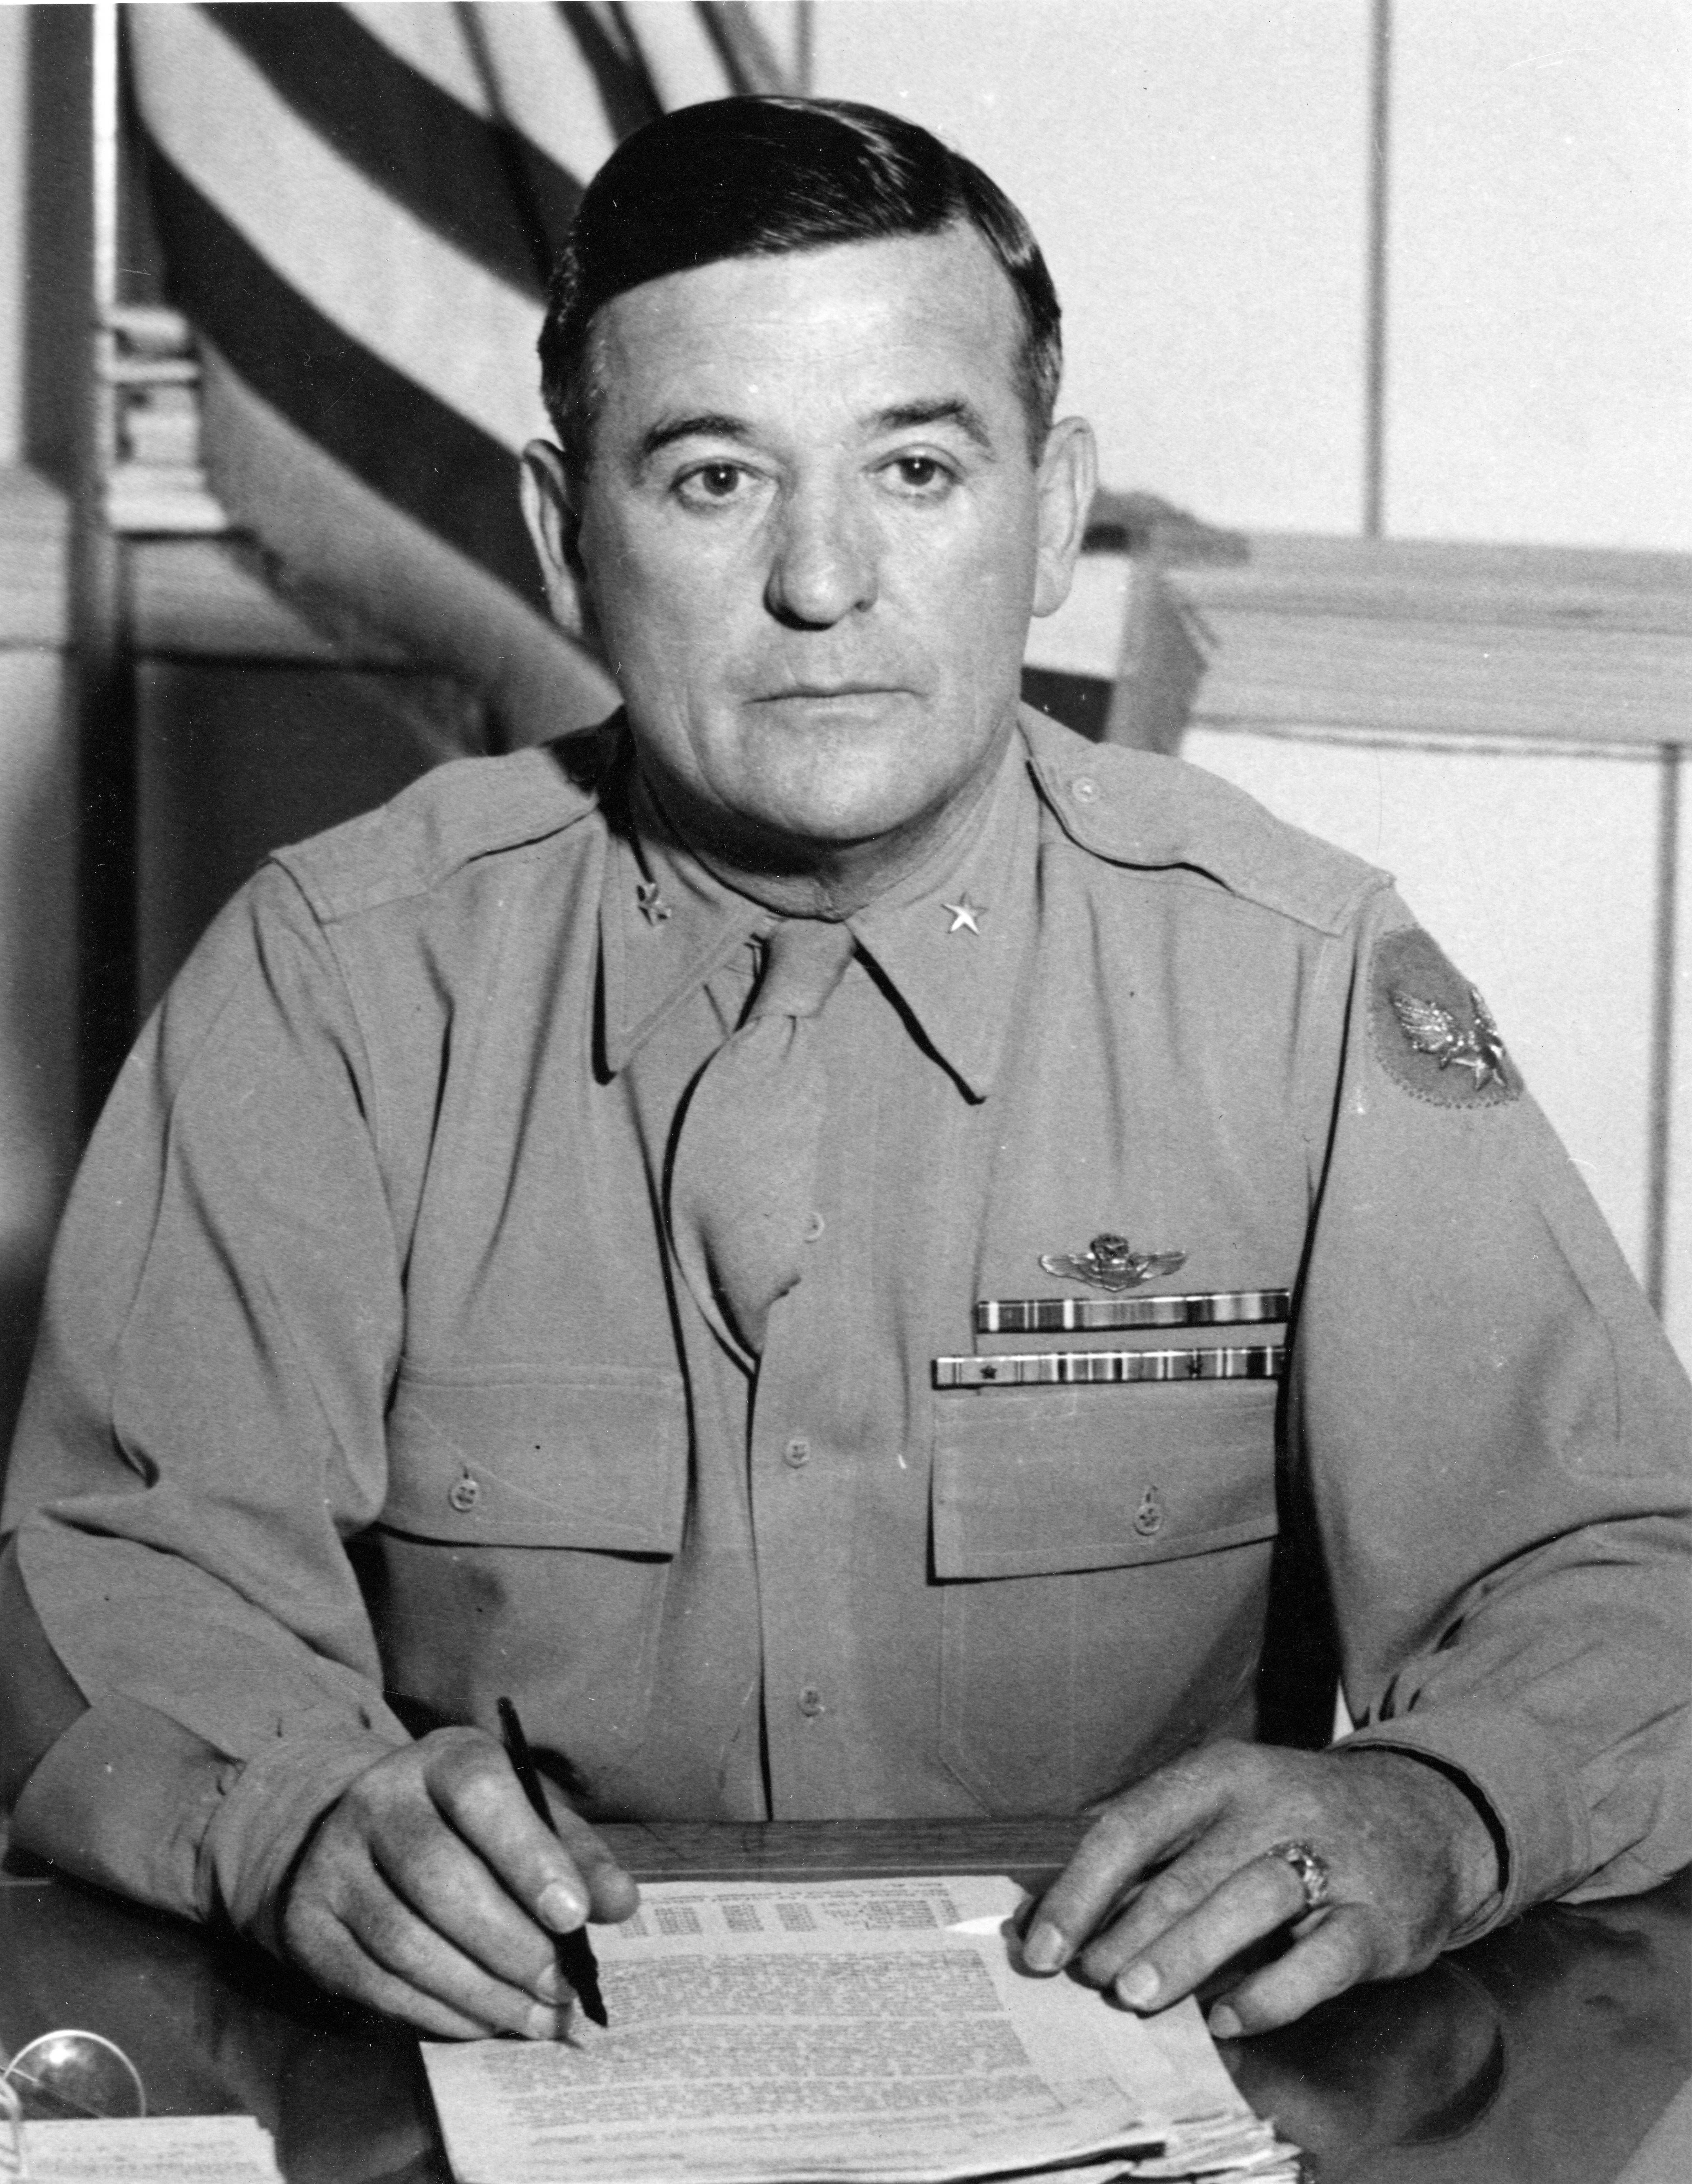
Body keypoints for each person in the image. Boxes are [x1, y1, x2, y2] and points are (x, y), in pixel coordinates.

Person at [1, 97, 1686, 2052]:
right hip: (505, 2072)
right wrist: (295, 1815)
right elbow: (119, 1572)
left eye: (917, 468)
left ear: (1049, 512)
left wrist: (1431, 1810)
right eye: (715, 478)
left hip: (1145, 2079)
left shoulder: (1294, 983)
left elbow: (1613, 1574)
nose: (822, 579)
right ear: (564, 532)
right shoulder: (340, 981)